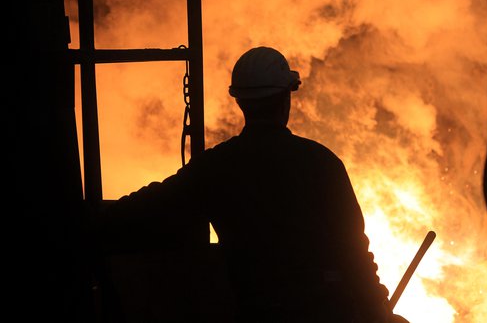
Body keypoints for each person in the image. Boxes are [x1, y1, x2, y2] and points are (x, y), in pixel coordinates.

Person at [98, 47, 408, 322]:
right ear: (287, 98)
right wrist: (379, 313)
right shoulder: (321, 164)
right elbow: (353, 251)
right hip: (324, 311)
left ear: (241, 102)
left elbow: (150, 208)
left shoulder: (217, 167)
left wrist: (83, 220)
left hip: (256, 310)